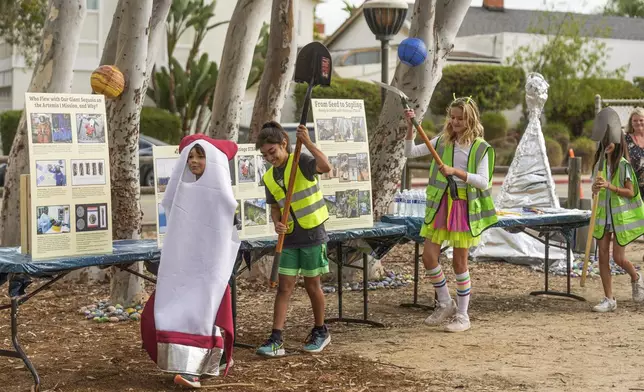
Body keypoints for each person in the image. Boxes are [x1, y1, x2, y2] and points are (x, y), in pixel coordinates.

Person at [140, 134, 240, 388]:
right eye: (191, 157)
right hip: (181, 267)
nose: (194, 161)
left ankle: (194, 370)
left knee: (202, 311)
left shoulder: (220, 194)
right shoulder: (182, 190)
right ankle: (190, 365)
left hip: (209, 269)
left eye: (200, 156)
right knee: (178, 309)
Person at [403, 97, 497, 333]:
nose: (454, 122)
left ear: (470, 119)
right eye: (452, 117)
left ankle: (463, 315)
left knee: (459, 262)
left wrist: (456, 172)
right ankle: (445, 302)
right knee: (428, 256)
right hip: (441, 205)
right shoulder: (443, 141)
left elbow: (484, 182)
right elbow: (410, 152)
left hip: (462, 206)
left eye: (460, 118)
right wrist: (410, 127)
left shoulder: (480, 147)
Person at [255, 121, 332, 357]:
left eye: (273, 152)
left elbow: (326, 166)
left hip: (312, 234)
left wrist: (307, 142)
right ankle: (276, 339)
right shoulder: (269, 178)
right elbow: (276, 207)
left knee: (312, 286)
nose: (270, 158)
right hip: (287, 239)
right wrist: (276, 222)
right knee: (284, 289)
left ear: (284, 144)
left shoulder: (302, 161)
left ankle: (321, 331)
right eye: (265, 155)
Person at [590, 110, 644, 312]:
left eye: (611, 140)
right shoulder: (599, 166)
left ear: (618, 141)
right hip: (603, 217)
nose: (608, 144)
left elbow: (630, 192)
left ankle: (635, 276)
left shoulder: (623, 166)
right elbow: (595, 192)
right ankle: (609, 299)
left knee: (618, 259)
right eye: (605, 141)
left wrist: (610, 187)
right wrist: (595, 189)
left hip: (619, 219)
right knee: (603, 256)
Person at [624, 107, 644, 200]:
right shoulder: (625, 139)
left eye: (641, 120)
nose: (638, 123)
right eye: (635, 120)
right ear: (631, 122)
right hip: (633, 186)